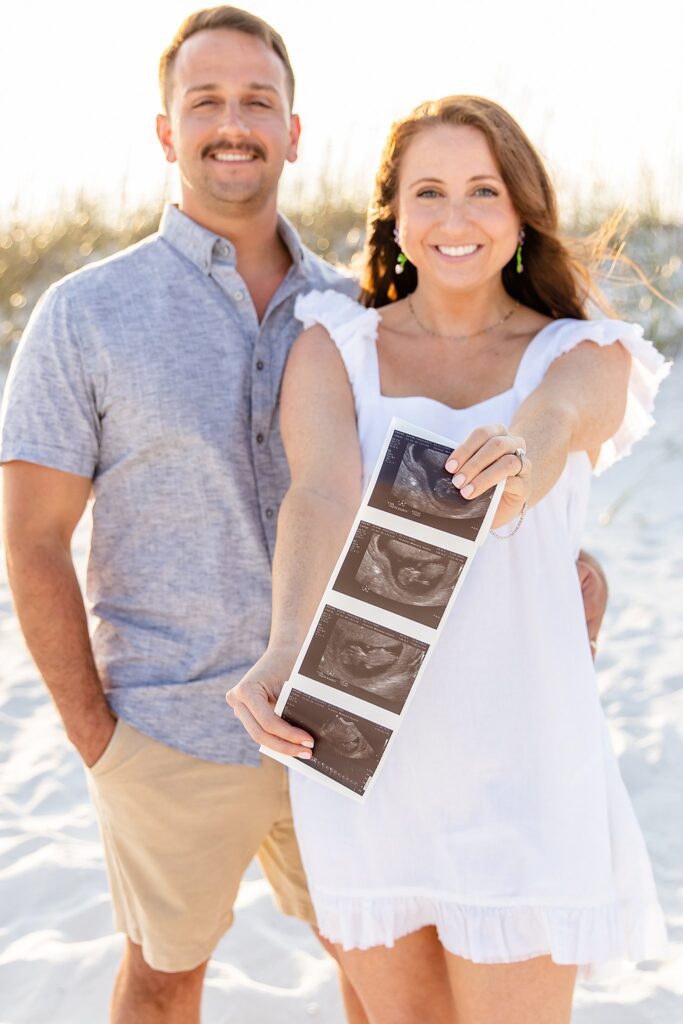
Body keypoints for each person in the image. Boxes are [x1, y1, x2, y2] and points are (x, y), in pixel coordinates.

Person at [228, 95, 669, 1023]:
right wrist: (281, 650)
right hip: (366, 759)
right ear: (393, 214)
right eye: (429, 191)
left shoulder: (582, 349)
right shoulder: (333, 346)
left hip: (524, 767)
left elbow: (554, 424)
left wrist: (520, 450)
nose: (456, 217)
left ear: (519, 214)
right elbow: (318, 496)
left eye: (483, 190)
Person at [0, 8, 368, 1024]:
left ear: (295, 129)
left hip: (341, 728)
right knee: (164, 986)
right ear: (165, 130)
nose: (232, 122)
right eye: (204, 101)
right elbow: (32, 541)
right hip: (166, 727)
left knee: (379, 973)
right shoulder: (84, 313)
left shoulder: (355, 311)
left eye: (257, 100)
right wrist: (97, 736)